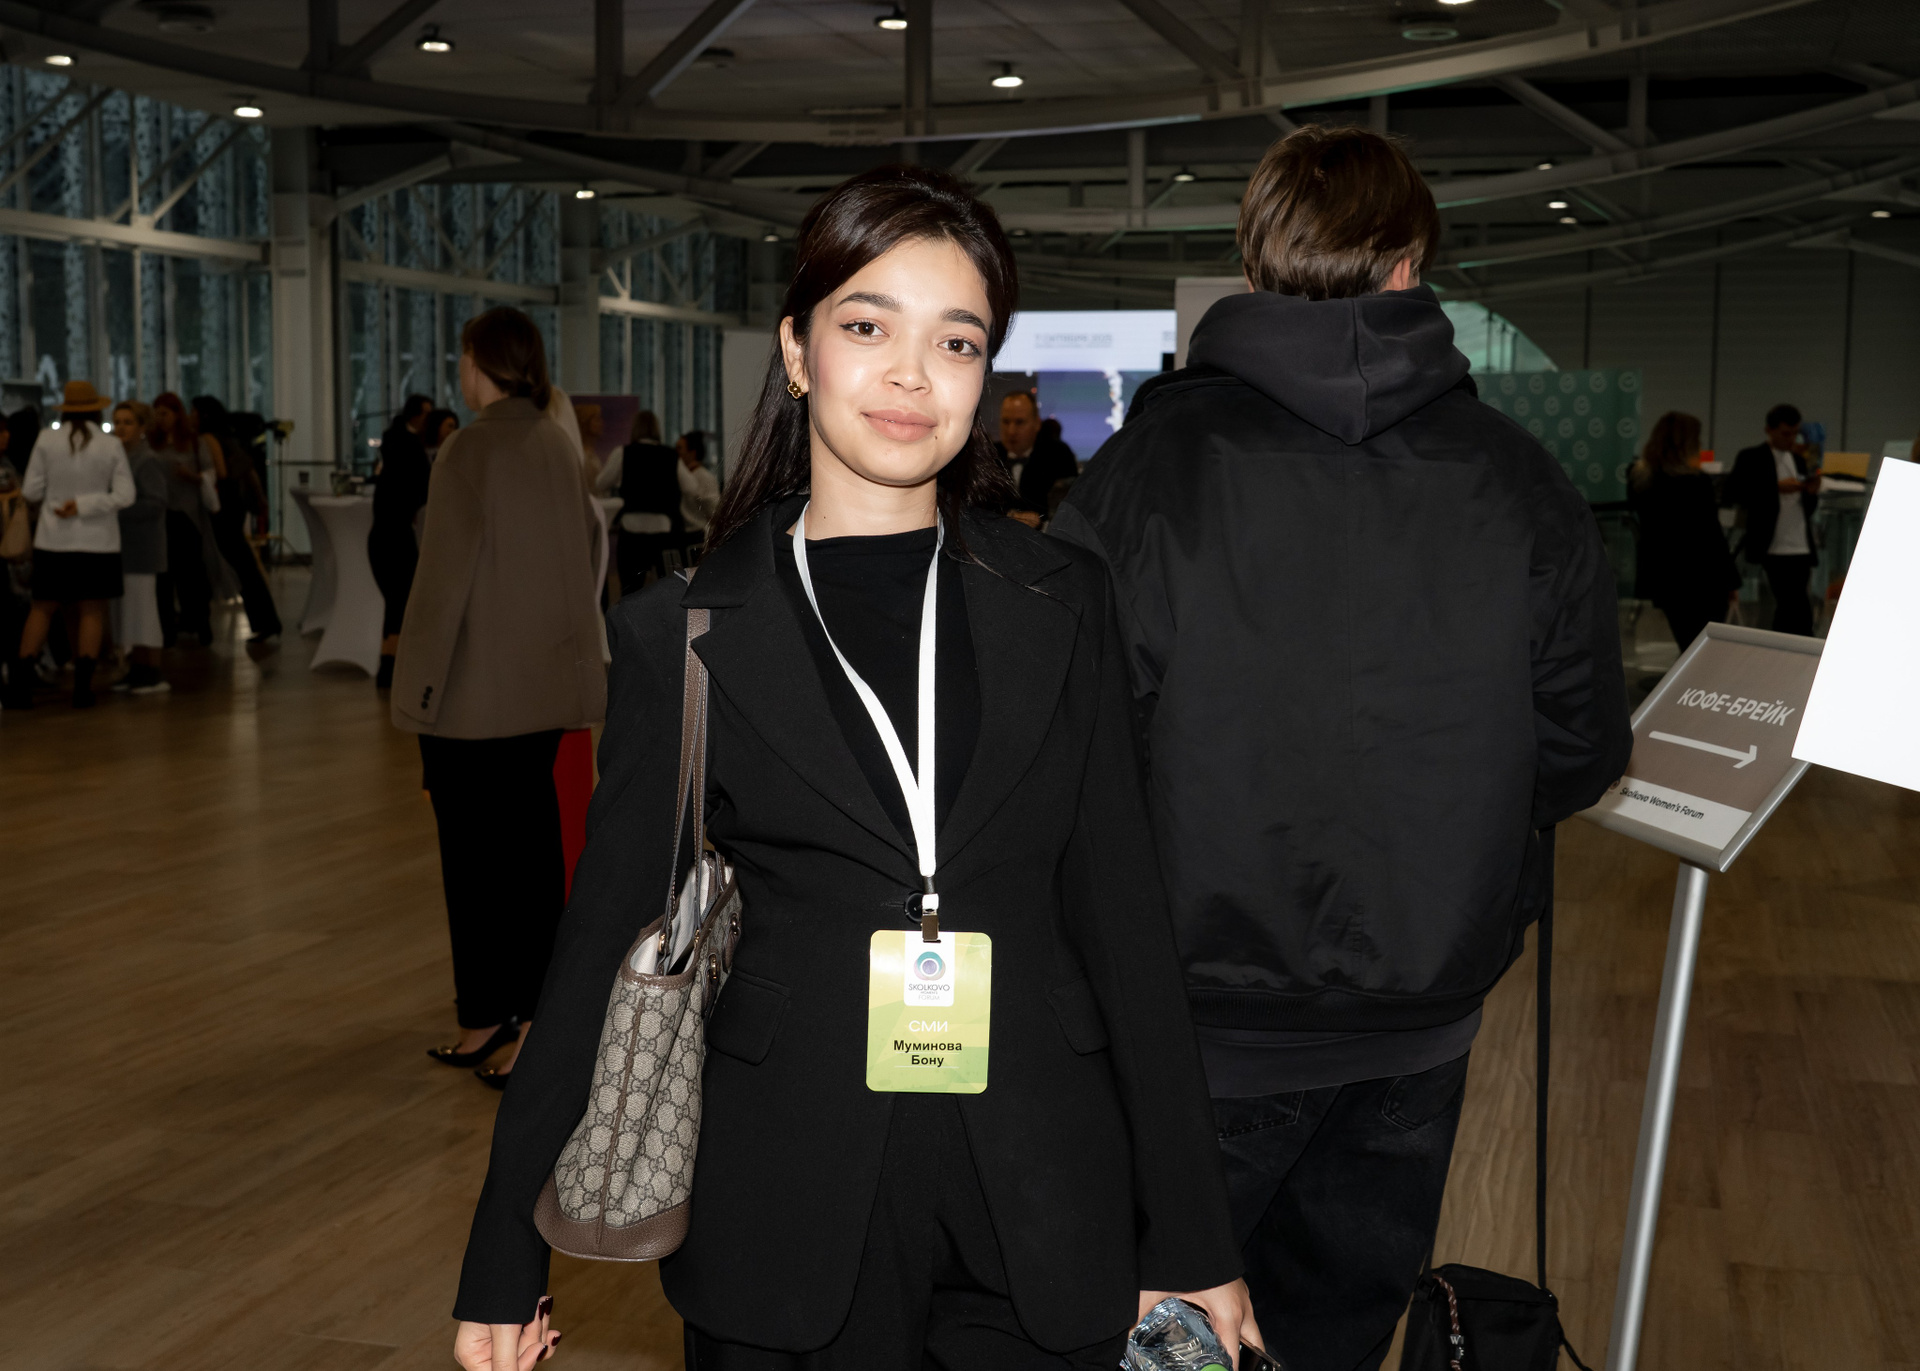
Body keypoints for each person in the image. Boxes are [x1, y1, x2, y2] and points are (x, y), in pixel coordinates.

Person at [449, 165, 1257, 1371]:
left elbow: (1126, 920)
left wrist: (1193, 1231)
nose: (912, 375)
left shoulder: (1062, 602)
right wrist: (504, 1255)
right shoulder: (686, 635)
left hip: (1044, 1188)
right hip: (785, 1195)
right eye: (869, 327)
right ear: (797, 350)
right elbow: (601, 946)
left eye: (957, 341)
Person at [1051, 126, 1633, 1371]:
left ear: (1253, 263)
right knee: (1334, 1337)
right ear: (1412, 265)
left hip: (1191, 1025)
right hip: (1421, 1014)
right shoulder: (1521, 482)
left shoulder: (1144, 476)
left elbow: (1062, 747)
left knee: (1154, 1342)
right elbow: (1582, 751)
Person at [392, 306, 606, 1092]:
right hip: (541, 691)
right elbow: (590, 550)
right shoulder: (555, 441)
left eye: (463, 355)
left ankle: (492, 1014)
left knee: (476, 867)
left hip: (473, 697)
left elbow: (440, 585)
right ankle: (517, 1018)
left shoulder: (470, 447)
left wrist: (413, 690)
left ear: (479, 361)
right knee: (531, 861)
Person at [4, 381, 133, 710]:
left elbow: (31, 491)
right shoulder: (110, 444)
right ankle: (82, 688)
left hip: (52, 539)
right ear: (97, 409)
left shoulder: (46, 440)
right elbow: (126, 495)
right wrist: (86, 504)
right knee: (92, 610)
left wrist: (62, 501)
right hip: (99, 542)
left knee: (42, 608)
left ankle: (20, 685)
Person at [1629, 411, 1740, 650]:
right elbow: (1712, 536)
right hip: (1703, 579)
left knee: (1687, 643)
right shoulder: (1696, 483)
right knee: (1705, 649)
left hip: (1667, 578)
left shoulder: (1641, 480)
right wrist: (1731, 581)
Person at [192, 395, 282, 644]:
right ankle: (267, 621)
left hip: (223, 504)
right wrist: (260, 499)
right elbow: (249, 470)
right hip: (235, 504)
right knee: (245, 564)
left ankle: (265, 621)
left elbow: (220, 472)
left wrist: (195, 477)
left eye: (194, 412)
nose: (190, 417)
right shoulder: (230, 438)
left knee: (240, 565)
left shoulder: (209, 439)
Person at [1727, 403, 1819, 636]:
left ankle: (1789, 647)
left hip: (1799, 543)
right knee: (1792, 604)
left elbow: (1807, 508)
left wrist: (1810, 492)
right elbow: (1734, 493)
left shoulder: (1798, 460)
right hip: (1772, 543)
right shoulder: (1751, 457)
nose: (1791, 439)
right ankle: (1794, 646)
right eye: (1786, 433)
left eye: (1795, 433)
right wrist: (1775, 488)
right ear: (1769, 430)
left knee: (1794, 604)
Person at [370, 394, 434, 689]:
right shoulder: (407, 446)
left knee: (397, 602)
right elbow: (422, 484)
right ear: (415, 415)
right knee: (401, 601)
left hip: (386, 534)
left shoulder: (394, 442)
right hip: (396, 534)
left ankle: (390, 665)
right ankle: (392, 666)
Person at [109, 400, 170, 694]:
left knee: (143, 612)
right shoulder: (120, 458)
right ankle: (136, 668)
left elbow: (157, 502)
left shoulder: (147, 460)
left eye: (128, 422)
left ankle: (152, 671)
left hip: (143, 548)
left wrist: (116, 507)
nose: (121, 428)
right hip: (124, 547)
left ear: (142, 427)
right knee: (128, 612)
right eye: (117, 422)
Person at [597, 408, 686, 593]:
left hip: (631, 531)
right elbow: (692, 487)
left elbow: (601, 482)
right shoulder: (670, 455)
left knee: (630, 591)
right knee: (666, 591)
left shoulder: (623, 453)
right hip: (663, 531)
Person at [150, 392, 215, 645]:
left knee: (191, 574)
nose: (161, 419)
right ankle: (166, 628)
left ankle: (199, 622)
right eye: (157, 414)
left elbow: (210, 473)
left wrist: (192, 476)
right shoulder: (152, 443)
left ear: (177, 415)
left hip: (188, 515)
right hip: (161, 515)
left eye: (165, 413)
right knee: (163, 576)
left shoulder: (194, 442)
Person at [994, 389, 1077, 527]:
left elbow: (1070, 508)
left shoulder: (1058, 455)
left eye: (1019, 422)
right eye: (1006, 422)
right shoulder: (988, 455)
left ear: (1037, 424)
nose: (1011, 431)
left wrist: (1040, 521)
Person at [675, 428, 721, 537]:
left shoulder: (705, 478)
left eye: (679, 448)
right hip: (683, 534)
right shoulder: (679, 477)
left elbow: (714, 512)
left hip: (699, 535)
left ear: (692, 453)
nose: (675, 452)